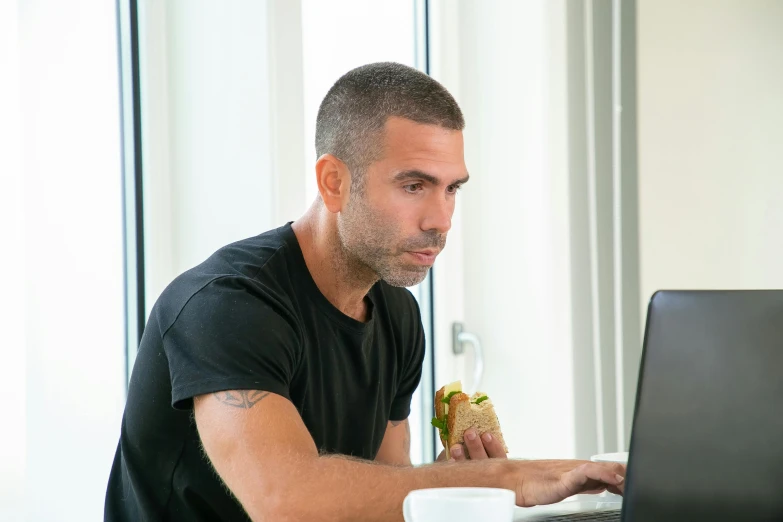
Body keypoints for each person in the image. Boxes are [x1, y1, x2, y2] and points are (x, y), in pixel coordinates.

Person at [105, 62, 625, 522]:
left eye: (452, 188)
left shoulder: (398, 314)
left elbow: (380, 493)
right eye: (414, 185)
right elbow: (287, 502)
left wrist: (454, 490)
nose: (440, 220)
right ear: (333, 182)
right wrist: (507, 479)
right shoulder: (228, 305)